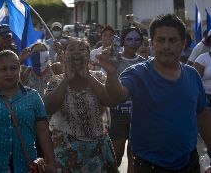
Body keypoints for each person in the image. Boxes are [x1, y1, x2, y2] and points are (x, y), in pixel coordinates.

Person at [96, 14, 211, 172]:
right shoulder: (137, 73)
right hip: (147, 166)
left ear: (183, 43)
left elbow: (203, 116)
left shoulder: (192, 75)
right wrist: (111, 74)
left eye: (173, 40)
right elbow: (116, 97)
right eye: (161, 40)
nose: (166, 46)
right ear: (152, 43)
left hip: (189, 163)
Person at [44, 37, 118, 172]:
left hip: (97, 151)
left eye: (82, 49)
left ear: (89, 54)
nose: (76, 52)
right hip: (65, 152)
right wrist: (66, 79)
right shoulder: (56, 80)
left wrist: (88, 76)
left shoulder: (99, 77)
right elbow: (48, 108)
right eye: (71, 49)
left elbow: (110, 101)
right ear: (64, 55)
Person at [109, 27, 145, 172]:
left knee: (134, 157)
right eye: (129, 39)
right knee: (115, 157)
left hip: (139, 116)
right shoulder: (113, 60)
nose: (133, 43)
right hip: (116, 115)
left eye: (137, 39)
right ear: (123, 41)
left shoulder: (145, 63)